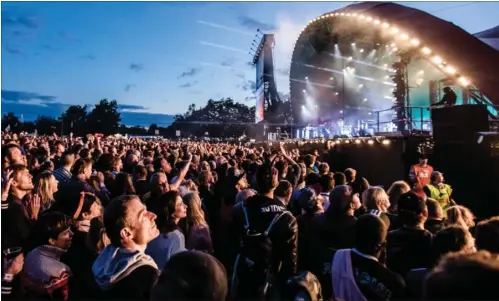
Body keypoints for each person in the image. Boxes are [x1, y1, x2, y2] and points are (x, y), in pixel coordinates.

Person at [229, 155, 298, 300]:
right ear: (276, 183)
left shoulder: (239, 209)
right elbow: (290, 261)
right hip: (270, 282)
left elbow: (231, 243)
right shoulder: (287, 217)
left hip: (243, 275)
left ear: (255, 181)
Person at [92, 195, 160, 300]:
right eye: (143, 215)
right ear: (126, 233)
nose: (153, 215)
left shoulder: (100, 266)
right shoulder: (148, 278)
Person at [22, 212, 74, 300]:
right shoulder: (61, 272)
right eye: (66, 233)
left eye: (70, 229)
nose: (72, 234)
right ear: (52, 241)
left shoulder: (31, 253)